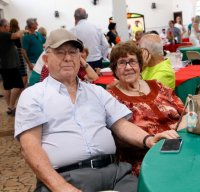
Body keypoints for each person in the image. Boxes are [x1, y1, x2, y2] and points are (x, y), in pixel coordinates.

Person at [14, 28, 175, 192]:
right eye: (60, 52)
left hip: (115, 174)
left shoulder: (96, 92)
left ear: (80, 58)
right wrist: (60, 186)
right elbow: (29, 148)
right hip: (66, 177)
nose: (68, 58)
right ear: (47, 60)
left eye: (73, 52)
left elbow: (121, 125)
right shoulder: (33, 95)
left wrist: (148, 139)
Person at [108, 41, 185, 175]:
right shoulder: (111, 97)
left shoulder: (157, 85)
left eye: (132, 61)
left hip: (180, 146)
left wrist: (181, 135)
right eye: (121, 63)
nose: (128, 67)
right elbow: (118, 136)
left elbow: (185, 112)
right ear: (114, 69)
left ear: (140, 65)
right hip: (145, 157)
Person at [0, 18, 26, 115]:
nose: (9, 28)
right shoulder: (4, 34)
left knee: (7, 87)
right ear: (4, 26)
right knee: (18, 86)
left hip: (3, 65)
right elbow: (17, 35)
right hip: (10, 65)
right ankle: (11, 106)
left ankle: (9, 107)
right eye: (8, 26)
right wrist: (23, 30)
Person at [22, 18, 45, 85]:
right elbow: (23, 51)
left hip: (41, 62)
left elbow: (45, 41)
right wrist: (29, 64)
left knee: (41, 80)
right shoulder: (26, 36)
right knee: (31, 82)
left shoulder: (38, 34)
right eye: (36, 23)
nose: (37, 24)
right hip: (32, 63)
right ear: (31, 25)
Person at [9, 18, 28, 86]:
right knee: (23, 73)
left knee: (17, 71)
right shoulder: (18, 32)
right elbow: (21, 43)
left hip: (11, 53)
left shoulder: (9, 33)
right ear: (17, 24)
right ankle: (21, 88)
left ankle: (17, 86)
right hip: (19, 52)